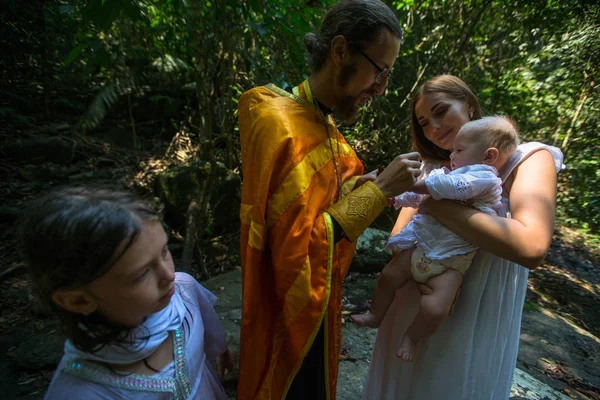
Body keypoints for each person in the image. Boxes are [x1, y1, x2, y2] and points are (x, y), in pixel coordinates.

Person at [236, 1, 422, 399]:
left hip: (321, 306)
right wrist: (377, 190)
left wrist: (361, 189)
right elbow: (291, 248)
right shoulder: (279, 125)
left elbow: (323, 220)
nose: (381, 88)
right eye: (380, 70)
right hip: (283, 312)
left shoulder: (334, 140)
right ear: (340, 51)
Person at [362, 74, 564, 399]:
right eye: (424, 123)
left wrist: (433, 203)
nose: (433, 128)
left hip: (476, 312)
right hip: (417, 304)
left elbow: (532, 245)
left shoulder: (528, 158)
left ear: (468, 104)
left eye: (441, 111)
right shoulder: (432, 170)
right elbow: (398, 236)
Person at [20, 187, 234, 400]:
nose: (169, 275)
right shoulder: (79, 393)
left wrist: (220, 350)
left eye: (165, 251)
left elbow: (213, 339)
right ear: (79, 300)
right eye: (142, 274)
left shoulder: (185, 292)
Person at [353, 116, 520, 362]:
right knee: (389, 276)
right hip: (421, 246)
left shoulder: (483, 178)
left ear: (488, 156)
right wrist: (397, 197)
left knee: (435, 308)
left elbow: (446, 187)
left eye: (459, 150)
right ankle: (376, 314)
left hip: (450, 262)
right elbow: (420, 198)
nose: (452, 155)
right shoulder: (447, 174)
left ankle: (413, 336)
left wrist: (404, 183)